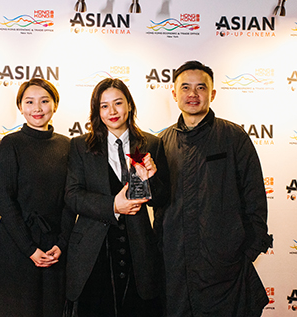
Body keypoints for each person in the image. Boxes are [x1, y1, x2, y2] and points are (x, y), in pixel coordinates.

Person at [159, 61, 273, 316]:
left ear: (212, 94)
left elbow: (255, 198)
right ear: (174, 93)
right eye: (185, 87)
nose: (193, 94)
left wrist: (246, 253)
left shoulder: (233, 137)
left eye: (201, 88)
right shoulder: (162, 143)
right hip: (176, 271)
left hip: (225, 271)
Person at [65, 78, 169, 317]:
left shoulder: (151, 143)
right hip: (93, 252)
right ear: (96, 111)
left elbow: (161, 199)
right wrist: (113, 205)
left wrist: (151, 179)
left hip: (139, 250)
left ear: (129, 105)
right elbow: (72, 195)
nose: (112, 111)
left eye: (118, 103)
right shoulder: (80, 146)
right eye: (104, 106)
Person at [0, 78, 74, 317]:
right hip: (18, 248)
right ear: (20, 107)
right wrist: (29, 249)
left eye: (44, 101)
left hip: (55, 248)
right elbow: (4, 202)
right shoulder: (10, 144)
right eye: (29, 102)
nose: (37, 108)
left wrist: (62, 244)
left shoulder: (67, 146)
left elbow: (71, 200)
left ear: (55, 105)